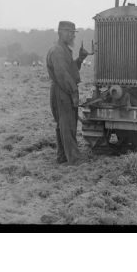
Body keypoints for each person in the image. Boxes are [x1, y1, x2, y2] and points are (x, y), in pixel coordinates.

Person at [46, 21, 89, 166]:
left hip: (62, 89)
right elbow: (63, 75)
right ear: (60, 32)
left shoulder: (64, 49)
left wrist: (81, 59)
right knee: (67, 125)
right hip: (62, 91)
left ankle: (62, 156)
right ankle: (74, 159)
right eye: (69, 32)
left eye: (73, 33)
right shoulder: (58, 51)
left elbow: (70, 69)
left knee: (62, 125)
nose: (72, 35)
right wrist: (73, 92)